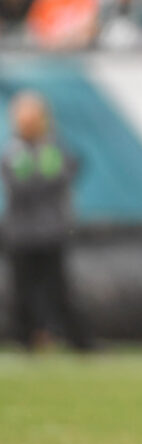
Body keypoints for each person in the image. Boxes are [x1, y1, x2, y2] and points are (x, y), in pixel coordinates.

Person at [1, 91, 90, 351]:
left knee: (59, 291)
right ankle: (26, 339)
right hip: (21, 233)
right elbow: (22, 185)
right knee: (22, 292)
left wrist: (42, 173)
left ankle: (78, 341)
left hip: (51, 231)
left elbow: (69, 169)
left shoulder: (53, 146)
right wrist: (44, 174)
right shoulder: (14, 150)